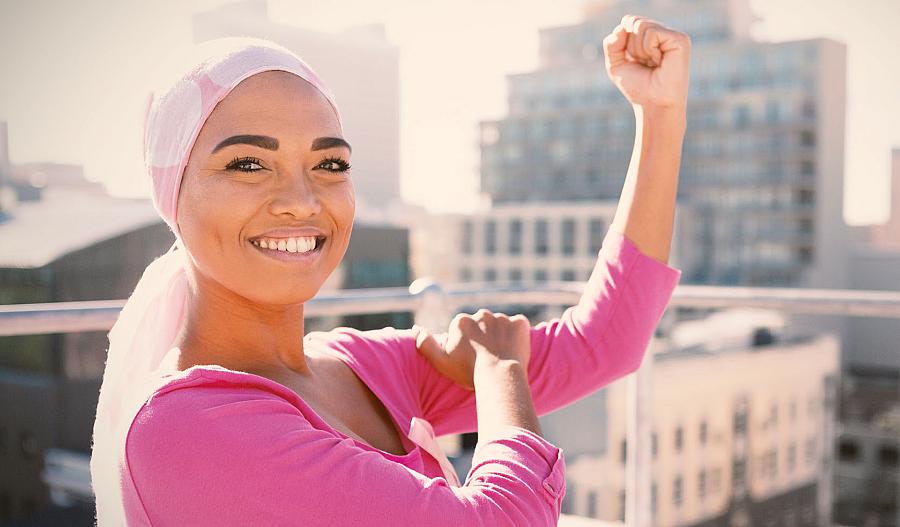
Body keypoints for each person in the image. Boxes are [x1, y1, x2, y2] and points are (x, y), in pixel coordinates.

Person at [90, 13, 690, 527]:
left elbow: (604, 343)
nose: (302, 199)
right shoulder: (185, 428)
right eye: (248, 163)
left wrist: (660, 115)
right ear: (173, 194)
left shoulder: (361, 366)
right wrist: (501, 369)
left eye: (329, 164)